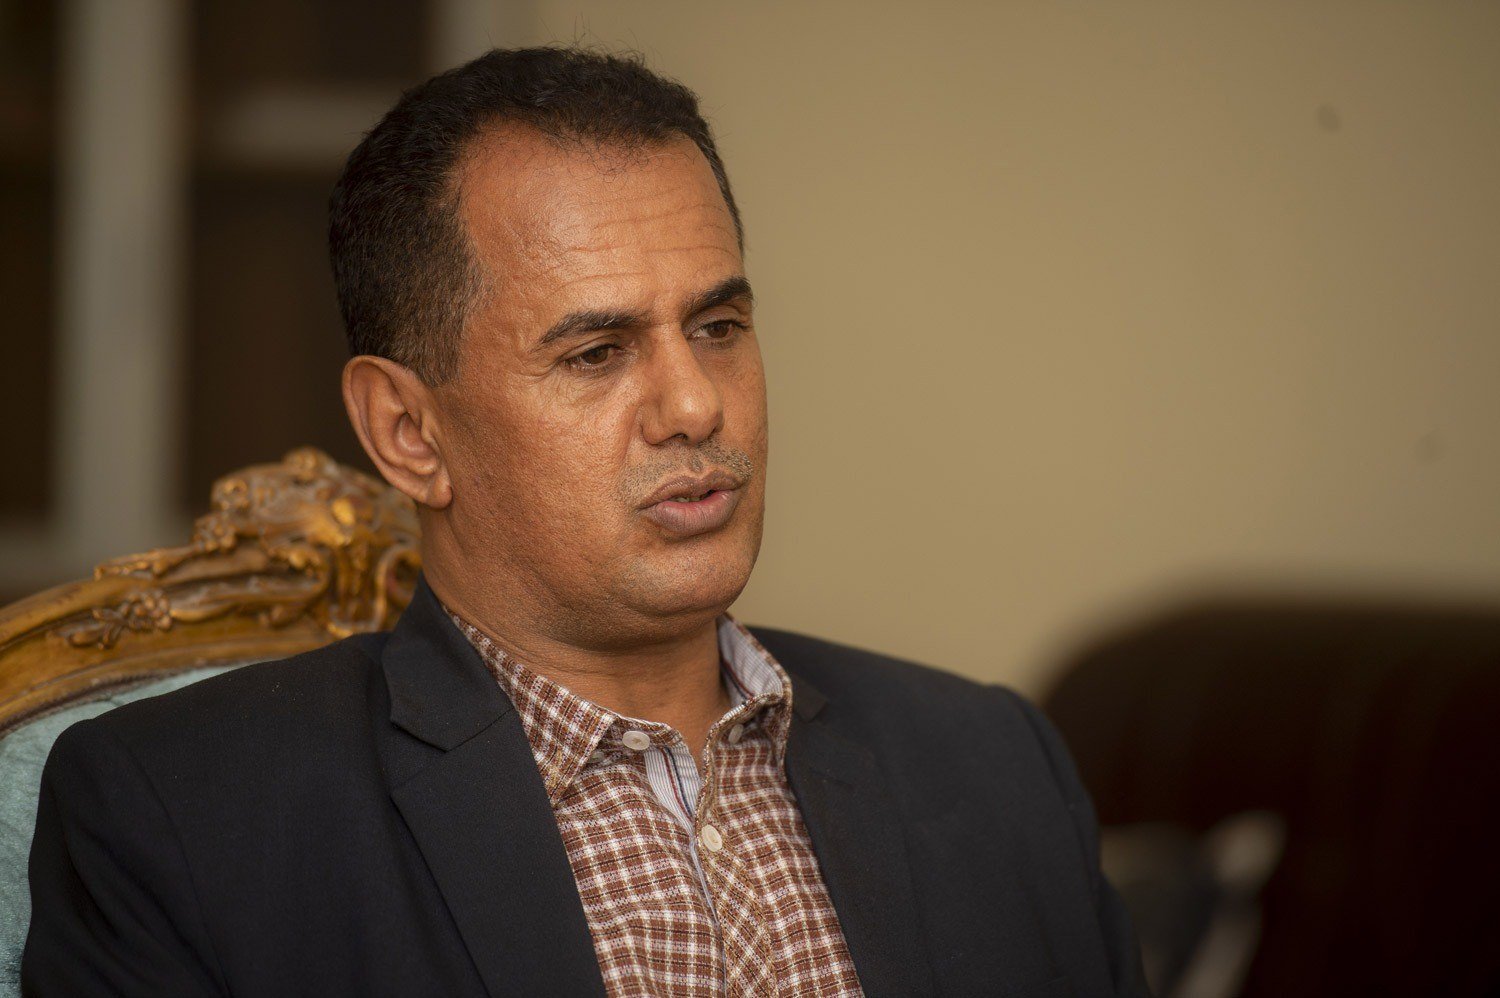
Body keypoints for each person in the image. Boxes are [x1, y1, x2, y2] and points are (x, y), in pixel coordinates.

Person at [23, 47, 1148, 997]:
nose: (695, 405)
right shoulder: (184, 815)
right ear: (409, 432)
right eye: (597, 352)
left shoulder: (994, 764)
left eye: (717, 327)